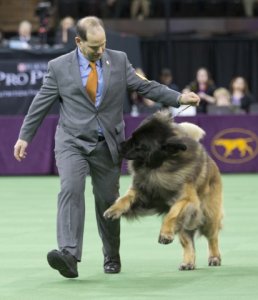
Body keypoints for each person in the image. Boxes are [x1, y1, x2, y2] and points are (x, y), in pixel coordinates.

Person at [14, 16, 200, 279]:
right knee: (70, 189)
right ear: (78, 42)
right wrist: (25, 136)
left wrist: (178, 98)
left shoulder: (119, 59)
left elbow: (145, 86)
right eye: (94, 47)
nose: (100, 51)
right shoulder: (58, 67)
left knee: (107, 201)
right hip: (72, 142)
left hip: (108, 144)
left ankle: (111, 254)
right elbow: (40, 104)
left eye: (103, 45)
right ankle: (68, 254)